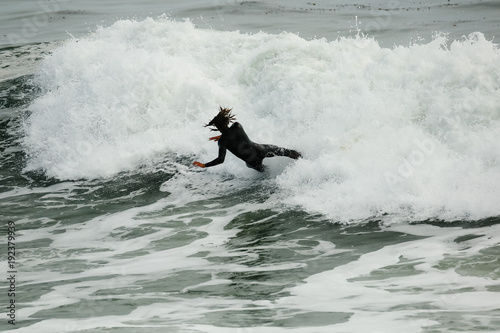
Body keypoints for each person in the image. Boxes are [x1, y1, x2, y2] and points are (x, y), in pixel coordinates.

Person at [193, 107, 302, 172]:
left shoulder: (223, 142)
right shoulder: (237, 126)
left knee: (268, 174)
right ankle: (304, 160)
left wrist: (204, 165)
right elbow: (231, 134)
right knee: (287, 152)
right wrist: (221, 136)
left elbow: (221, 159)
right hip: (261, 150)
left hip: (253, 162)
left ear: (217, 127)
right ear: (227, 121)